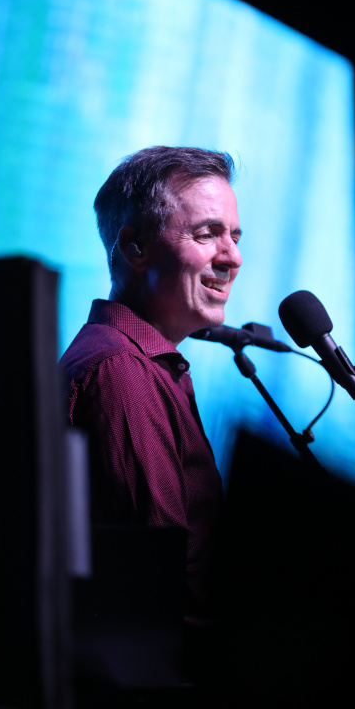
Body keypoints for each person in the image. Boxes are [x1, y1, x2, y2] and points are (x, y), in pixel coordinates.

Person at [59, 145, 242, 619]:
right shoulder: (122, 370)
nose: (233, 257)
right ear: (134, 248)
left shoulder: (139, 363)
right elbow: (162, 583)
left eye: (235, 236)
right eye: (208, 234)